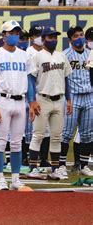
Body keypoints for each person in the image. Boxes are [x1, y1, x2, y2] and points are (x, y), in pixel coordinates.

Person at [0, 20, 36, 190]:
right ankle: (0, 178)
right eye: (11, 33)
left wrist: (32, 101)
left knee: (17, 142)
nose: (14, 36)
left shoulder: (25, 56)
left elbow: (30, 81)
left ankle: (15, 179)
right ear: (3, 35)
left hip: (20, 100)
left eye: (17, 33)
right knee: (0, 141)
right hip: (3, 100)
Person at [27, 27, 72, 180]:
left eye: (55, 37)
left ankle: (55, 168)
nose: (53, 40)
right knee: (38, 135)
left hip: (59, 99)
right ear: (44, 38)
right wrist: (32, 101)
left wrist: (69, 99)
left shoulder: (61, 56)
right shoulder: (37, 56)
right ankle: (33, 168)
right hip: (42, 98)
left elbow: (66, 79)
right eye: (50, 37)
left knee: (56, 136)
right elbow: (31, 80)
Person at [59, 26, 93, 177]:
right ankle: (60, 165)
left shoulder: (90, 54)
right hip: (72, 97)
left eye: (81, 35)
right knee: (66, 133)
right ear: (70, 39)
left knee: (87, 134)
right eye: (75, 36)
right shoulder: (64, 55)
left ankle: (84, 166)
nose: (79, 38)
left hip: (89, 96)